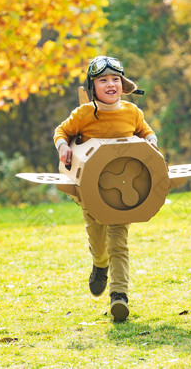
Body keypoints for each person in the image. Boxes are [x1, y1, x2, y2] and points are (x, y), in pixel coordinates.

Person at [53, 56, 158, 322]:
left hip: (124, 195)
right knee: (98, 243)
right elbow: (61, 132)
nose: (111, 84)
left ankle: (119, 297)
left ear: (123, 84)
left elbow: (145, 131)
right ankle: (100, 264)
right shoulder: (84, 113)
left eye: (115, 80)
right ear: (93, 86)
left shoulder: (132, 112)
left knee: (118, 243)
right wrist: (63, 146)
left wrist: (151, 141)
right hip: (91, 192)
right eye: (103, 80)